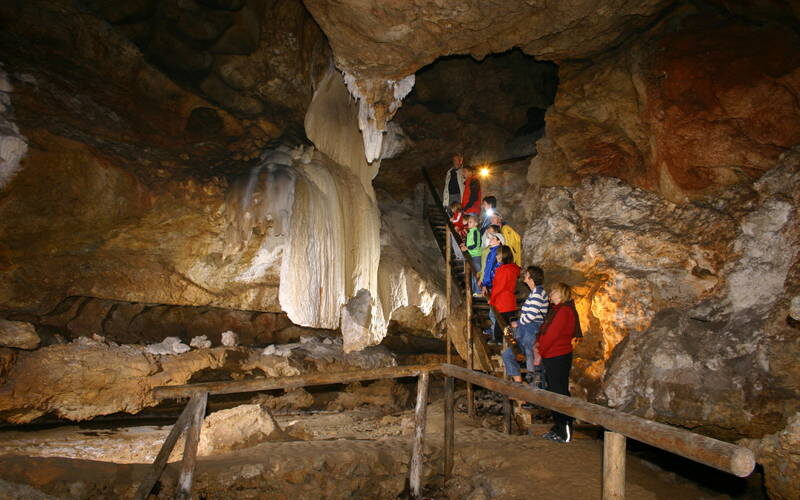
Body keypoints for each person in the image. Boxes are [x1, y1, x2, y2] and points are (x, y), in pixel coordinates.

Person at [536, 282, 580, 443]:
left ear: (561, 294)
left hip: (558, 356)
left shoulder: (564, 311)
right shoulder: (557, 310)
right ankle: (558, 427)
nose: (551, 293)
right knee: (555, 391)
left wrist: (540, 352)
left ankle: (564, 430)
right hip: (553, 355)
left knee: (558, 392)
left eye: (554, 291)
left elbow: (552, 335)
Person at [501, 265, 548, 384]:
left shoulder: (538, 293)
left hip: (532, 329)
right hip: (525, 329)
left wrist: (518, 323)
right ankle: (518, 384)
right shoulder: (534, 293)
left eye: (526, 275)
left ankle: (534, 380)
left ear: (531, 278)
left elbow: (531, 316)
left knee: (530, 353)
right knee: (508, 355)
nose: (524, 277)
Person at [488, 245, 520, 345]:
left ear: (504, 255)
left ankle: (498, 340)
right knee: (506, 324)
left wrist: (492, 300)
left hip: (502, 301)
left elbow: (498, 287)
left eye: (498, 254)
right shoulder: (513, 269)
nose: (497, 256)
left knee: (500, 323)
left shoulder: (503, 270)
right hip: (510, 301)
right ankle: (508, 341)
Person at [480, 231, 505, 337]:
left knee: (494, 312)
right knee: (492, 311)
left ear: (499, 241)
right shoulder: (492, 252)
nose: (490, 239)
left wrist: (487, 283)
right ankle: (494, 330)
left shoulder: (498, 253)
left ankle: (496, 335)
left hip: (495, 285)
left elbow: (493, 270)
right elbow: (487, 269)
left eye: (493, 238)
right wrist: (485, 284)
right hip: (490, 285)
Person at [460, 214, 482, 295]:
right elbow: (469, 242)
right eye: (468, 222)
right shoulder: (470, 232)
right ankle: (474, 291)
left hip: (476, 255)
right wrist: (464, 244)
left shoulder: (476, 232)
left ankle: (478, 291)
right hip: (471, 255)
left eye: (470, 222)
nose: (468, 223)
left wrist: (467, 248)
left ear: (476, 223)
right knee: (472, 274)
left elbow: (476, 244)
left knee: (476, 273)